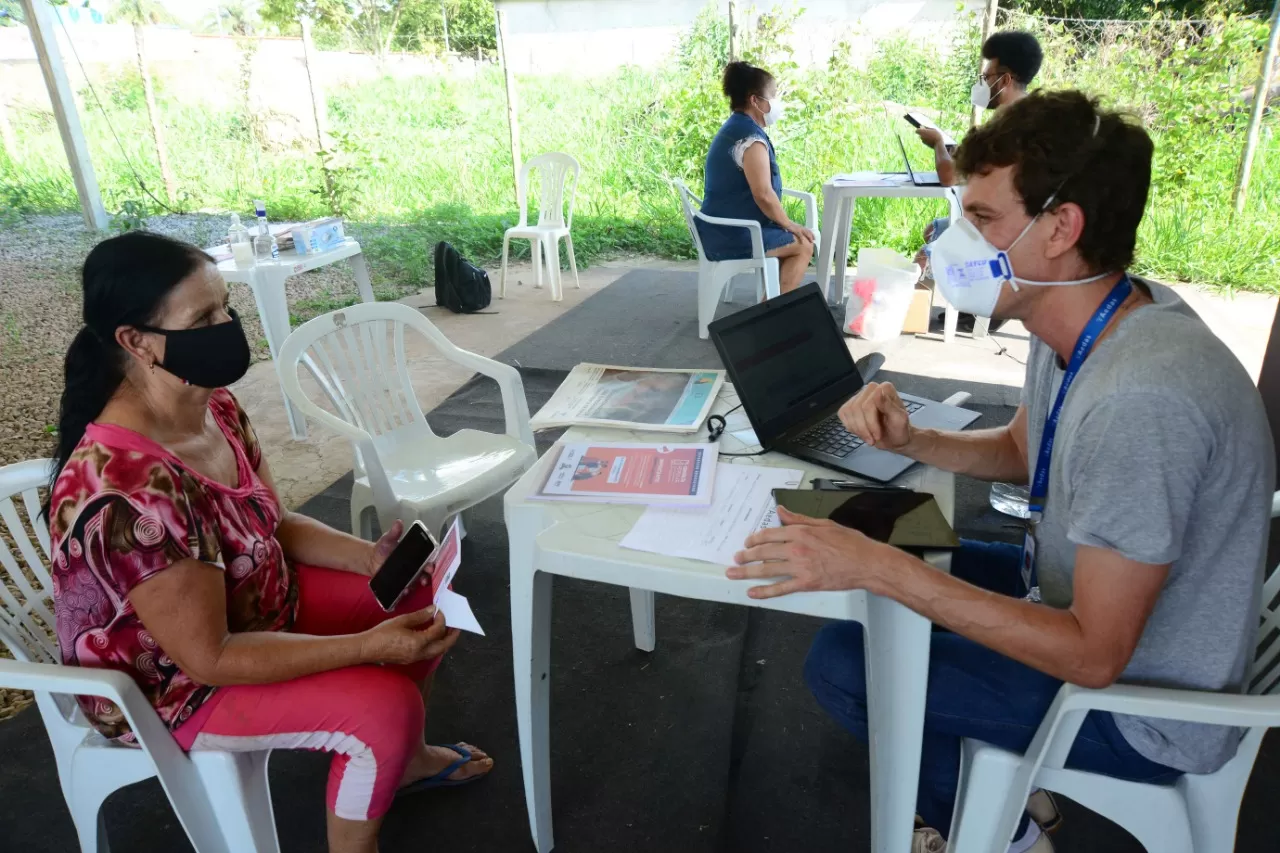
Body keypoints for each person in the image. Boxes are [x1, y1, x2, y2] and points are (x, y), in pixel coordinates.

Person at [726, 92, 1274, 853]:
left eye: (981, 219)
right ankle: (1010, 792)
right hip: (1077, 599)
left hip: (1138, 708)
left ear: (1060, 228)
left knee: (848, 664)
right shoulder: (1100, 319)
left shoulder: (1142, 399)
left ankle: (1006, 829)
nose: (951, 242)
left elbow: (1093, 652)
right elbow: (1026, 446)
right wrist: (914, 438)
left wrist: (884, 569)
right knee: (878, 533)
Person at [46, 232, 493, 853]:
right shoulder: (125, 489)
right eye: (203, 318)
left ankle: (406, 763)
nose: (226, 325)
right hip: (174, 687)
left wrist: (370, 558)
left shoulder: (213, 406)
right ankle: (382, 768)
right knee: (384, 709)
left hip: (251, 603)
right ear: (135, 341)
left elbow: (271, 522)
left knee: (414, 597)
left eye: (225, 306)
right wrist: (364, 648)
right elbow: (210, 658)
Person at [697, 60, 815, 294]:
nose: (776, 102)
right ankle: (772, 316)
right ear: (754, 100)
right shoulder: (750, 139)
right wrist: (789, 224)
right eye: (772, 95)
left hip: (720, 228)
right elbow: (763, 194)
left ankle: (771, 309)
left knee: (791, 239)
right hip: (730, 235)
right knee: (803, 245)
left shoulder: (735, 128)